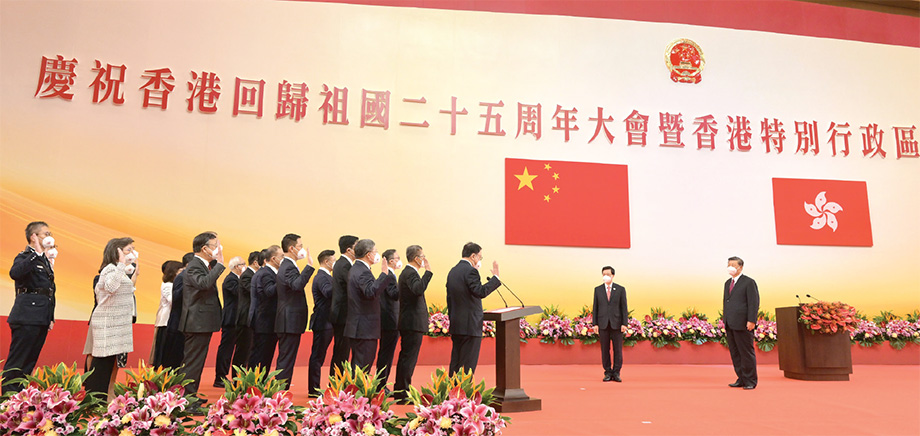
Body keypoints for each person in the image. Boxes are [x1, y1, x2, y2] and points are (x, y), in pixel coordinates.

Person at [3, 221, 57, 394]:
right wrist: (36, 253)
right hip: (26, 316)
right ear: (34, 236)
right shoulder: (26, 256)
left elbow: (49, 290)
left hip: (40, 317)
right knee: (17, 361)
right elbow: (15, 273)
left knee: (29, 362)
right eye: (45, 234)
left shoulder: (44, 260)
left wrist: (50, 317)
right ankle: (8, 400)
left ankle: (20, 399)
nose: (49, 237)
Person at [84, 237, 138, 400]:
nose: (133, 253)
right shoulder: (110, 269)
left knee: (108, 362)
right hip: (107, 322)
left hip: (118, 323)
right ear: (117, 252)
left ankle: (101, 397)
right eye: (129, 250)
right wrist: (122, 264)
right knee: (101, 362)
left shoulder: (120, 270)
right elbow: (110, 287)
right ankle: (95, 398)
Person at [178, 232, 226, 407]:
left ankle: (192, 394)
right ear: (204, 248)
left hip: (201, 322)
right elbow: (204, 283)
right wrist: (220, 265)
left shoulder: (204, 265)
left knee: (197, 362)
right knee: (192, 363)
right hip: (196, 322)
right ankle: (186, 401)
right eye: (215, 245)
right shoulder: (194, 266)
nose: (218, 249)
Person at [446, 242, 500, 376]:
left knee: (456, 362)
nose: (479, 261)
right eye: (480, 258)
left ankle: (452, 394)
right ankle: (463, 395)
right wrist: (495, 279)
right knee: (467, 365)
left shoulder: (453, 271)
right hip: (470, 325)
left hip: (457, 324)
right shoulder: (471, 271)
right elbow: (480, 292)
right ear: (473, 256)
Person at [344, 239, 393, 370]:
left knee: (359, 365)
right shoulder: (362, 271)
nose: (377, 255)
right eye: (375, 251)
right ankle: (357, 390)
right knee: (362, 366)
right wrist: (384, 274)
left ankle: (354, 390)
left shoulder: (358, 269)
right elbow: (371, 292)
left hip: (360, 327)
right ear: (368, 254)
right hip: (364, 328)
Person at [274, 233, 315, 388]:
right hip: (288, 321)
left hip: (289, 321)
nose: (302, 249)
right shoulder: (288, 266)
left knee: (287, 359)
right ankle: (280, 395)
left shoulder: (288, 265)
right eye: (300, 246)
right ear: (291, 248)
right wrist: (309, 267)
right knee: (286, 360)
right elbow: (297, 285)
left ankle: (281, 393)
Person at [393, 245, 433, 402]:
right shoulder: (410, 273)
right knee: (408, 358)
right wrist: (428, 273)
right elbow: (418, 289)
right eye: (422, 256)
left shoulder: (409, 273)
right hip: (411, 322)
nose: (424, 259)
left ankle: (400, 390)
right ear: (417, 258)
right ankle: (403, 392)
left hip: (410, 322)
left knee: (406, 357)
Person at [723, 256, 760, 390]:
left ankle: (750, 380)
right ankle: (741, 378)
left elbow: (753, 303)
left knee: (746, 352)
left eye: (733, 264)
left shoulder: (749, 282)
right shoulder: (727, 283)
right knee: (735, 353)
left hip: (744, 323)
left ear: (740, 267)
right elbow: (726, 302)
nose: (730, 267)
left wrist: (751, 320)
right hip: (730, 323)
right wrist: (725, 320)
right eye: (728, 264)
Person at [213, 256, 246, 387]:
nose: (245, 266)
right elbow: (240, 293)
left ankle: (236, 376)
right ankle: (220, 376)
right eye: (243, 264)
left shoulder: (237, 279)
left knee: (238, 349)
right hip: (231, 319)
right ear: (237, 267)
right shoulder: (230, 280)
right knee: (226, 349)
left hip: (239, 319)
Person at [307, 249, 336, 397]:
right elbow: (328, 292)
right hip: (322, 322)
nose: (335, 262)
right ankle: (313, 389)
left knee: (320, 355)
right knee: (317, 356)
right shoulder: (321, 277)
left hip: (328, 322)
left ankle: (316, 387)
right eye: (333, 260)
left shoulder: (327, 276)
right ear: (326, 261)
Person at [592, 266, 628, 382]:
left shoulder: (620, 289)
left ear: (613, 275)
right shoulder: (598, 290)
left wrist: (624, 323)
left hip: (617, 324)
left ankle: (616, 372)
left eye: (608, 274)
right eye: (603, 274)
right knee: (605, 349)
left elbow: (624, 307)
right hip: (603, 324)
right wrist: (595, 324)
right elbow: (595, 307)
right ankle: (607, 372)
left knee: (617, 349)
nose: (605, 276)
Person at [249, 246, 282, 370]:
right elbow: (269, 292)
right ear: (273, 258)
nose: (283, 260)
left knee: (265, 356)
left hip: (267, 322)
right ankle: (254, 386)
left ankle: (258, 385)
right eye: (281, 257)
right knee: (260, 357)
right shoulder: (266, 273)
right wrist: (282, 278)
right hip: (264, 322)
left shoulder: (267, 272)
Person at [329, 235, 358, 376]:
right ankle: (335, 384)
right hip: (342, 315)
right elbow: (354, 286)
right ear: (349, 249)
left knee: (342, 352)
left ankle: (337, 382)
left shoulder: (344, 264)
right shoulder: (344, 265)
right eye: (357, 246)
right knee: (341, 352)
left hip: (344, 314)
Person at [161, 252, 193, 370]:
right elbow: (176, 298)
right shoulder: (182, 277)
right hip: (177, 322)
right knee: (172, 357)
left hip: (186, 322)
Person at [375, 249, 401, 387]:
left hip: (391, 321)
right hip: (389, 321)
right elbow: (394, 294)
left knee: (387, 355)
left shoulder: (391, 275)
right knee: (385, 354)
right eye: (397, 258)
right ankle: (380, 384)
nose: (399, 260)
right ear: (391, 261)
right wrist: (404, 285)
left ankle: (382, 384)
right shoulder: (389, 276)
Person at [151, 260, 183, 367]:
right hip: (165, 321)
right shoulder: (167, 285)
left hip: (171, 320)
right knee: (163, 350)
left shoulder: (173, 284)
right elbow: (172, 300)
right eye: (180, 271)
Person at [235, 251, 261, 370]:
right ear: (256, 262)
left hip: (252, 317)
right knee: (242, 350)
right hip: (245, 317)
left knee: (249, 349)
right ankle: (237, 380)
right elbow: (254, 291)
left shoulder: (253, 274)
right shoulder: (247, 275)